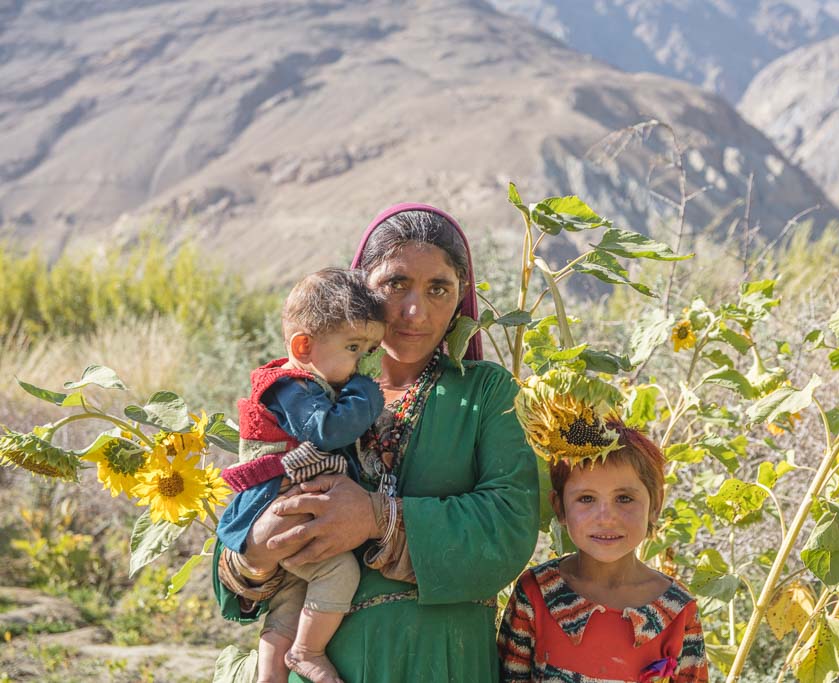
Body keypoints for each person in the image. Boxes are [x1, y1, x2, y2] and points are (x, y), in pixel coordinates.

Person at [212, 204, 540, 682]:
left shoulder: (486, 392)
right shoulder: (306, 391)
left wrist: (376, 517)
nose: (415, 311)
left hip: (442, 661)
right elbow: (241, 538)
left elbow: (508, 527)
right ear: (362, 289)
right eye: (396, 284)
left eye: (439, 288)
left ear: (461, 298)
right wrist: (257, 551)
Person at [217, 268, 387, 683]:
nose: (362, 361)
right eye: (353, 347)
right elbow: (328, 431)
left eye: (369, 350)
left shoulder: (309, 383)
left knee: (290, 599)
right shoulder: (290, 387)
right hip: (278, 503)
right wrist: (367, 391)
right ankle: (307, 651)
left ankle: (270, 675)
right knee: (338, 572)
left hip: (291, 506)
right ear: (303, 346)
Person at [498, 421, 709, 682]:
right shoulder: (536, 593)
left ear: (655, 505)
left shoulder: (677, 610)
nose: (606, 518)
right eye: (586, 499)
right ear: (560, 507)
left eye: (624, 498)